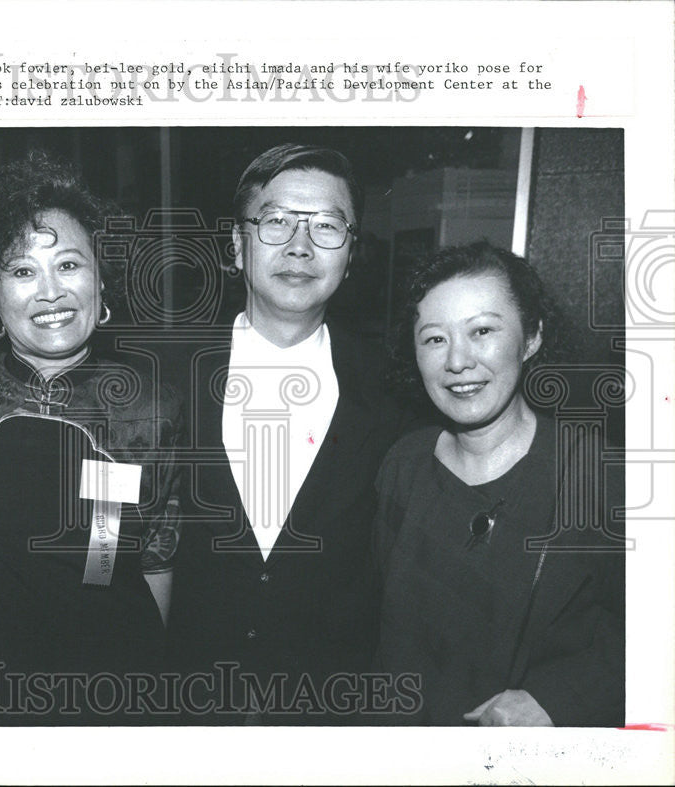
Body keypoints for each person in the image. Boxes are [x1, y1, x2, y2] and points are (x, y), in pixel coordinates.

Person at [0, 150, 182, 723]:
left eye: (68, 265)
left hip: (121, 697)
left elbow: (157, 557)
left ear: (102, 279)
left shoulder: (151, 405)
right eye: (21, 271)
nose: (50, 292)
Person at [166, 143, 408, 724]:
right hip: (181, 703)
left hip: (329, 711)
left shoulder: (397, 389)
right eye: (275, 222)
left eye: (327, 226)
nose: (300, 246)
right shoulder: (162, 375)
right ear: (236, 245)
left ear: (351, 254)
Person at [373, 242, 625, 726]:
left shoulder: (601, 477)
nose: (458, 362)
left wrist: (558, 699)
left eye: (482, 331)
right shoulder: (402, 466)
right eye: (434, 339)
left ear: (531, 338)